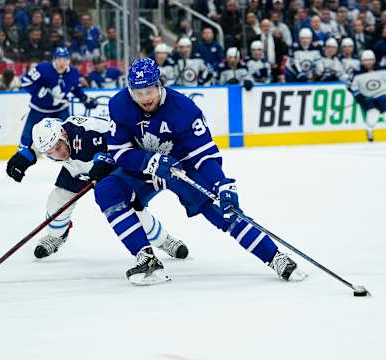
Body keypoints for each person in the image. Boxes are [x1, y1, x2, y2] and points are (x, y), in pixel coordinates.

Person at [92, 58, 307, 285]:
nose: (145, 98)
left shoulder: (184, 109)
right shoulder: (119, 104)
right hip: (142, 169)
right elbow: (119, 151)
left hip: (181, 169)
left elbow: (204, 156)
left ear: (159, 85)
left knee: (224, 210)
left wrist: (221, 184)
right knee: (107, 190)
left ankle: (274, 256)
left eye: (149, 91)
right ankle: (146, 259)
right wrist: (148, 161)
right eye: (138, 92)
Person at [29, 115, 189, 260]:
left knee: (130, 210)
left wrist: (103, 160)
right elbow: (42, 147)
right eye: (51, 153)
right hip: (80, 168)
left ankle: (163, 240)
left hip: (116, 167)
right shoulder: (56, 139)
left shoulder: (87, 131)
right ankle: (57, 236)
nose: (58, 154)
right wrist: (26, 154)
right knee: (58, 199)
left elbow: (118, 142)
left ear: (63, 134)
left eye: (58, 148)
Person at [6, 47, 97, 183]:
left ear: (68, 60)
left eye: (65, 59)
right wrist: (38, 91)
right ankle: (20, 162)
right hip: (39, 109)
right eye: (59, 59)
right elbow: (25, 81)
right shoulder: (43, 68)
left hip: (60, 109)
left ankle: (71, 165)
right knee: (27, 137)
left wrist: (85, 98)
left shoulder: (73, 73)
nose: (62, 62)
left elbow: (75, 88)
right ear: (54, 59)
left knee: (68, 134)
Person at [349, 50, 386, 142]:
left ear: (374, 60)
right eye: (366, 60)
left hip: (381, 96)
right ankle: (369, 131)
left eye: (370, 60)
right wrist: (359, 97)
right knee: (372, 114)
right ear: (362, 61)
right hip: (368, 98)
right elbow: (353, 88)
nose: (368, 62)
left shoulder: (383, 71)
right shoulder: (357, 74)